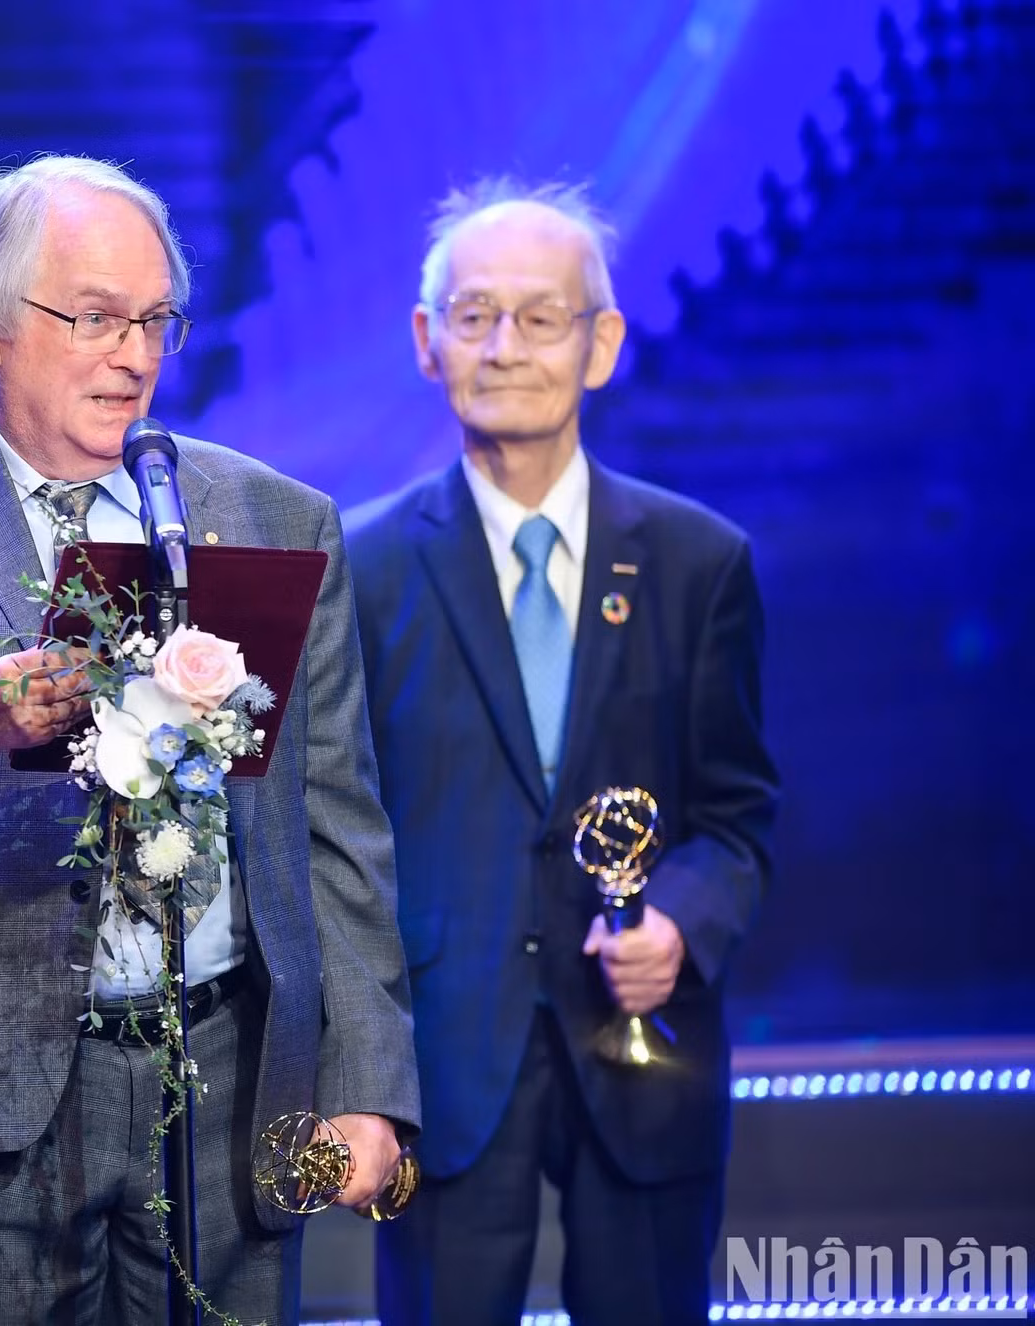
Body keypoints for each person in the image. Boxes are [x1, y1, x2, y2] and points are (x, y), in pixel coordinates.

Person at [0, 155, 418, 1324]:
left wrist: (363, 1085)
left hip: (220, 1089)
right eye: (97, 317)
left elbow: (332, 825)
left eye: (157, 319)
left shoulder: (266, 516)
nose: (137, 355)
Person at [348, 181, 779, 1325]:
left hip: (644, 1052)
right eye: (474, 314)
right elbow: (332, 833)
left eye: (539, 318)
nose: (504, 347)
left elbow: (735, 816)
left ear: (600, 345)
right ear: (424, 341)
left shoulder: (697, 562)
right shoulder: (360, 566)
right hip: (441, 1067)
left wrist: (680, 921)